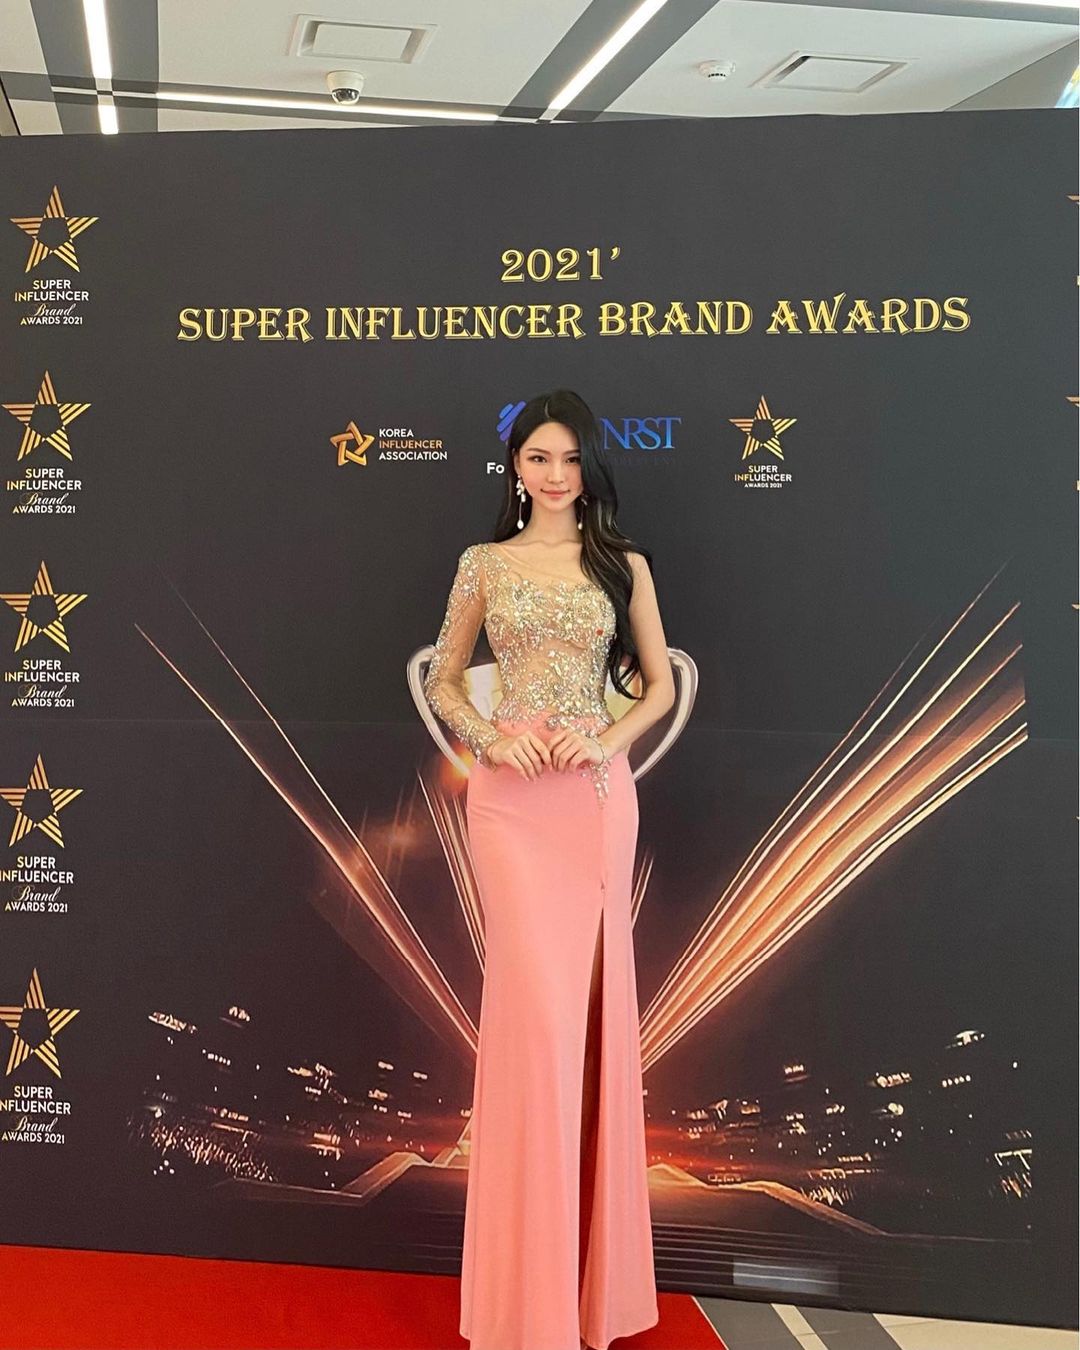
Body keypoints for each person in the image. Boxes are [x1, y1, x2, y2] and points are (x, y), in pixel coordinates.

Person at [422, 389, 676, 1350]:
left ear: (590, 467)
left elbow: (660, 687)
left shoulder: (624, 565)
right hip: (509, 805)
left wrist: (602, 740)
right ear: (516, 468)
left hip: (594, 801)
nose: (556, 475)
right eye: (539, 457)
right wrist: (492, 739)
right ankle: (524, 1304)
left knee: (590, 1029)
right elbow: (445, 678)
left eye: (571, 458)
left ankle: (583, 1296)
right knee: (533, 1031)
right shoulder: (483, 564)